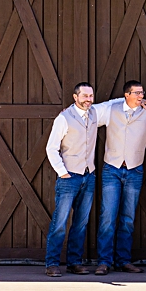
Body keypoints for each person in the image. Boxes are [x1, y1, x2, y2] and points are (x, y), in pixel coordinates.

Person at [94, 82, 146, 275]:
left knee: (128, 218)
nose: (140, 96)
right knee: (108, 217)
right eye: (136, 93)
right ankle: (104, 261)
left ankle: (123, 260)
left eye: (142, 93)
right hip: (111, 169)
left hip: (134, 170)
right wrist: (68, 111)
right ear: (126, 95)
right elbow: (86, 112)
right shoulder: (110, 110)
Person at [42, 83, 98, 277]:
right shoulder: (63, 118)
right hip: (69, 177)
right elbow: (51, 148)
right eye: (84, 96)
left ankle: (74, 262)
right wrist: (62, 172)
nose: (88, 99)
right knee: (60, 222)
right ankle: (52, 264)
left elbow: (114, 104)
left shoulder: (95, 114)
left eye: (90, 95)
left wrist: (144, 101)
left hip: (88, 176)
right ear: (75, 97)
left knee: (80, 223)